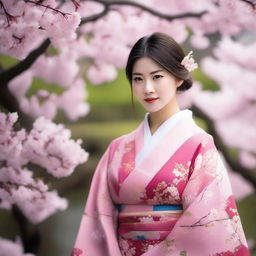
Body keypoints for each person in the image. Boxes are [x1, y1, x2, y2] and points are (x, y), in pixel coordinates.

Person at [72, 32, 249, 256]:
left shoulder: (199, 144)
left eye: (157, 77)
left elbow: (210, 221)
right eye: (138, 79)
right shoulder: (117, 148)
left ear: (177, 77)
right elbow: (98, 220)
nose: (147, 88)